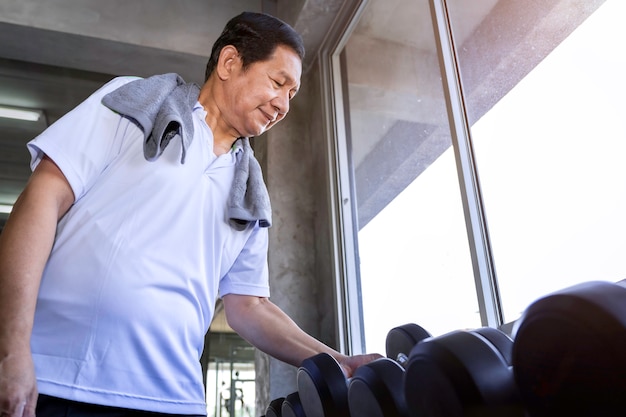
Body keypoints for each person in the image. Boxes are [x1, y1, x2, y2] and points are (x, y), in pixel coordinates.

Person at [0, 11, 379, 417]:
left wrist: (335, 361)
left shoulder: (249, 191)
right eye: (278, 82)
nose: (284, 104)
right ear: (230, 63)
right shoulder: (136, 102)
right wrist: (11, 350)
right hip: (59, 383)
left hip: (174, 400)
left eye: (293, 93)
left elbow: (249, 306)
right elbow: (44, 196)